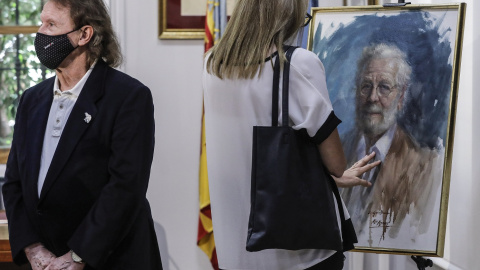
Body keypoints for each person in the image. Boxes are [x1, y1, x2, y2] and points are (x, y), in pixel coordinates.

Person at [202, 0, 379, 269]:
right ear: (287, 16)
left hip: (234, 249)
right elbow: (336, 163)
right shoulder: (295, 64)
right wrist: (336, 175)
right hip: (295, 252)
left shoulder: (212, 65)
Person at [2, 0, 163, 269]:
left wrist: (78, 255)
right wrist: (32, 247)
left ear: (84, 35)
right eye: (42, 22)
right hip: (45, 260)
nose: (40, 32)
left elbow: (126, 186)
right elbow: (14, 181)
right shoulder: (32, 99)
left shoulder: (128, 97)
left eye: (51, 24)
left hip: (110, 258)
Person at [340, 43, 443, 248]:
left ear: (401, 96)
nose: (372, 97)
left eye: (384, 87)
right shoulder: (337, 148)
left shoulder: (423, 165)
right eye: (366, 86)